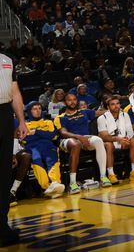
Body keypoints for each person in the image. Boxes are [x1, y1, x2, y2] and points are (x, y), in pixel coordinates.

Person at [55, 93, 114, 194]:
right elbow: (63, 133)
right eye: (69, 100)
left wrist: (114, 108)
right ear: (65, 102)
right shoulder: (60, 117)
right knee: (76, 144)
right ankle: (72, 182)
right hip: (68, 140)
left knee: (98, 140)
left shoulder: (85, 112)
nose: (72, 102)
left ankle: (103, 177)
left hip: (85, 138)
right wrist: (78, 137)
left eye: (74, 99)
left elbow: (100, 113)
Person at [2, 51, 27, 246]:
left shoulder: (7, 59)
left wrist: (22, 121)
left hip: (4, 115)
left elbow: (15, 92)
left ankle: (2, 227)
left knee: (4, 174)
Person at [17, 102, 65, 200]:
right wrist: (44, 134)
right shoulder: (25, 125)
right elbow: (25, 140)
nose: (38, 110)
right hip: (33, 148)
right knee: (37, 160)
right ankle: (47, 187)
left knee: (52, 159)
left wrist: (36, 132)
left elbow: (53, 136)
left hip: (48, 146)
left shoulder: (48, 122)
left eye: (39, 108)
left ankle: (55, 183)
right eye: (35, 109)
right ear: (29, 111)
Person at [97, 95, 134, 181]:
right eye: (113, 104)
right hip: (109, 142)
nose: (116, 106)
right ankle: (111, 174)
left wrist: (127, 139)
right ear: (108, 107)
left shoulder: (125, 115)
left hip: (123, 140)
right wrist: (118, 139)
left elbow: (130, 131)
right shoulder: (101, 118)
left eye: (118, 103)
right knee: (109, 144)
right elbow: (104, 137)